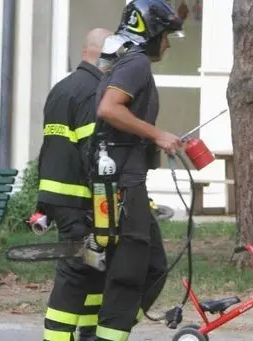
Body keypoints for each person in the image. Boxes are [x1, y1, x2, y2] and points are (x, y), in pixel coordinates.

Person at [87, 1, 184, 340]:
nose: (168, 44)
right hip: (123, 185)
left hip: (127, 181)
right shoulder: (137, 63)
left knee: (154, 264)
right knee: (131, 272)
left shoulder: (125, 61)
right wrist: (157, 134)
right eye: (167, 36)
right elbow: (109, 108)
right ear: (152, 32)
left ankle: (102, 331)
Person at [36, 27, 113, 341]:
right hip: (79, 198)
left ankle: (89, 333)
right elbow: (92, 153)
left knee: (94, 266)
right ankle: (58, 337)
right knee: (75, 271)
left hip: (57, 195)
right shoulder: (92, 91)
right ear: (103, 54)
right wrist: (105, 199)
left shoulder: (62, 87)